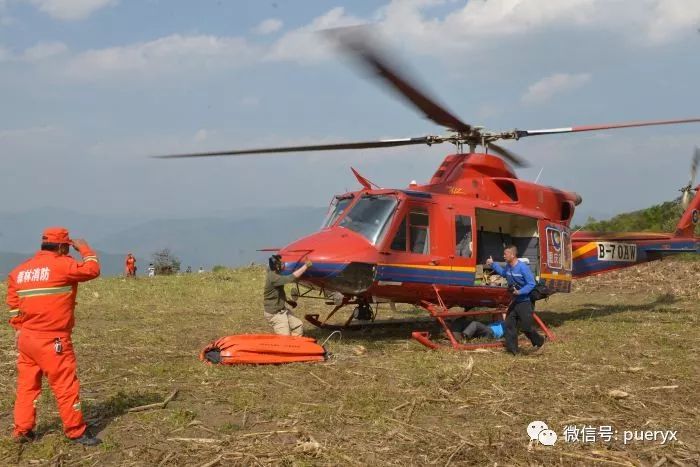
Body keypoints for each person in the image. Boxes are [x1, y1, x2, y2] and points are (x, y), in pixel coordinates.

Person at [6, 227, 101, 446]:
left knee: (27, 387)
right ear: (61, 246)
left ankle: (23, 430)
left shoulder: (19, 272)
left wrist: (18, 328)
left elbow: (13, 304)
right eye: (67, 248)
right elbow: (92, 269)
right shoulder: (63, 265)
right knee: (65, 386)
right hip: (53, 341)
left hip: (27, 340)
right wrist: (84, 248)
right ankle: (75, 431)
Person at [486, 245, 544, 354]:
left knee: (526, 328)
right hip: (515, 301)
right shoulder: (508, 266)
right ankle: (513, 351)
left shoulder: (522, 268)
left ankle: (540, 342)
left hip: (525, 301)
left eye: (505, 254)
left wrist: (520, 292)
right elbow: (504, 273)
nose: (503, 256)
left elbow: (531, 283)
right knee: (509, 324)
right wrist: (493, 264)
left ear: (512, 255)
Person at [263, 255, 312, 336]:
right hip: (275, 314)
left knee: (298, 326)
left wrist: (288, 301)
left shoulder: (274, 273)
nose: (284, 264)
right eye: (281, 263)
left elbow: (278, 293)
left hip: (282, 310)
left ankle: (295, 346)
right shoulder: (274, 277)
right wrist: (305, 266)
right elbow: (290, 278)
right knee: (285, 337)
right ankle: (284, 347)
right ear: (277, 266)